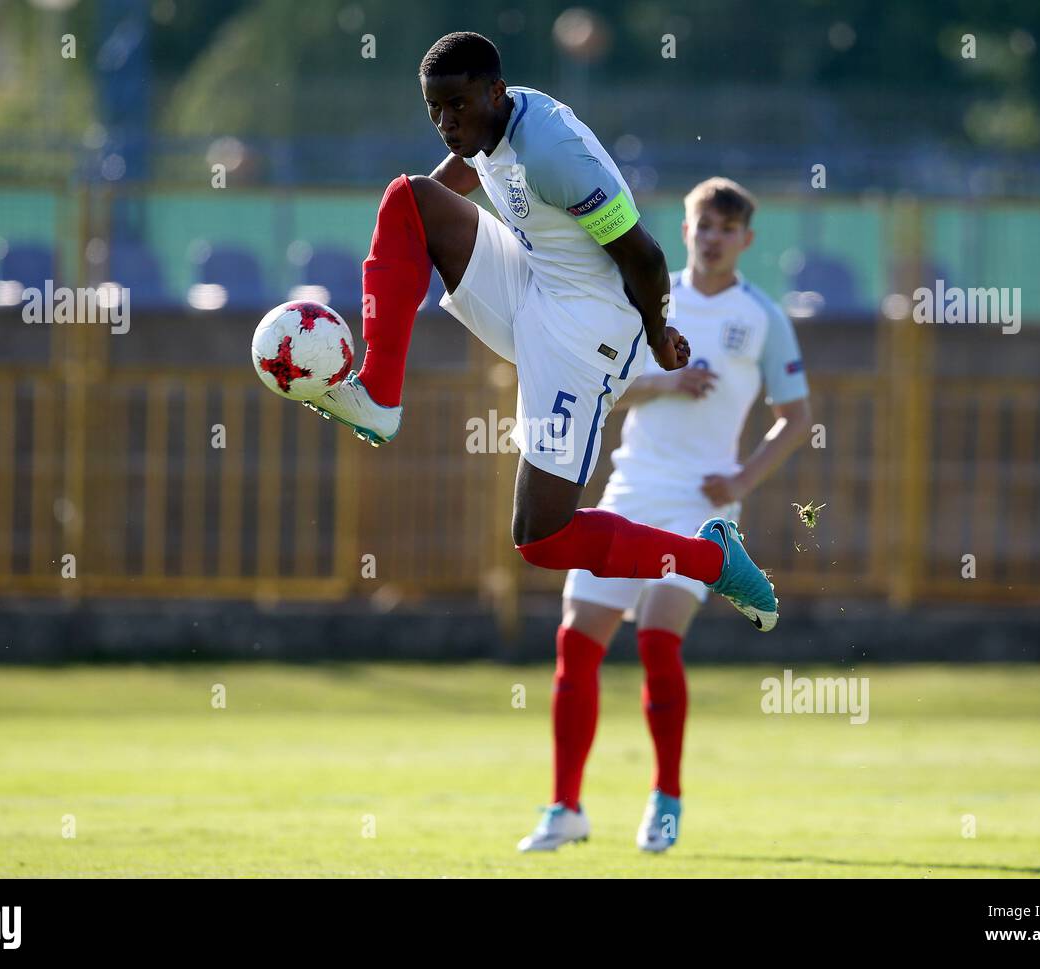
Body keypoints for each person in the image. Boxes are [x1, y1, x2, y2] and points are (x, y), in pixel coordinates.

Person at [304, 32, 778, 663]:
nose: (447, 122)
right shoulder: (485, 129)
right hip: (532, 284)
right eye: (435, 110)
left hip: (589, 334)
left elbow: (645, 255)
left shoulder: (551, 152)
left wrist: (660, 335)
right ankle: (378, 397)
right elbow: (445, 188)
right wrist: (401, 242)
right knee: (407, 199)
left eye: (459, 106)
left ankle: (712, 558)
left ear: (495, 92)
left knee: (541, 539)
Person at [519, 177, 812, 853]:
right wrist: (667, 380)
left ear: (747, 240)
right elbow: (607, 387)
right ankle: (566, 806)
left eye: (726, 229)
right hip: (630, 489)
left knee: (656, 639)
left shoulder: (763, 316)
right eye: (702, 225)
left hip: (699, 503)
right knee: (576, 645)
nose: (712, 238)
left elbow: (797, 417)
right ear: (684, 229)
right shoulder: (648, 298)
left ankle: (667, 798)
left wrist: (740, 477)